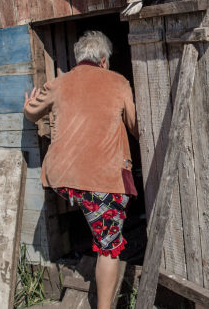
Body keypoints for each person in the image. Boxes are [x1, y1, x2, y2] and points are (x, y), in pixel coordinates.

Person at [23, 30, 138, 309]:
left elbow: (32, 112)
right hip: (103, 182)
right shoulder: (118, 82)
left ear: (78, 60)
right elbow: (136, 127)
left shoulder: (59, 83)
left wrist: (28, 108)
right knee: (109, 247)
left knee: (91, 213)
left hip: (63, 179)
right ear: (103, 60)